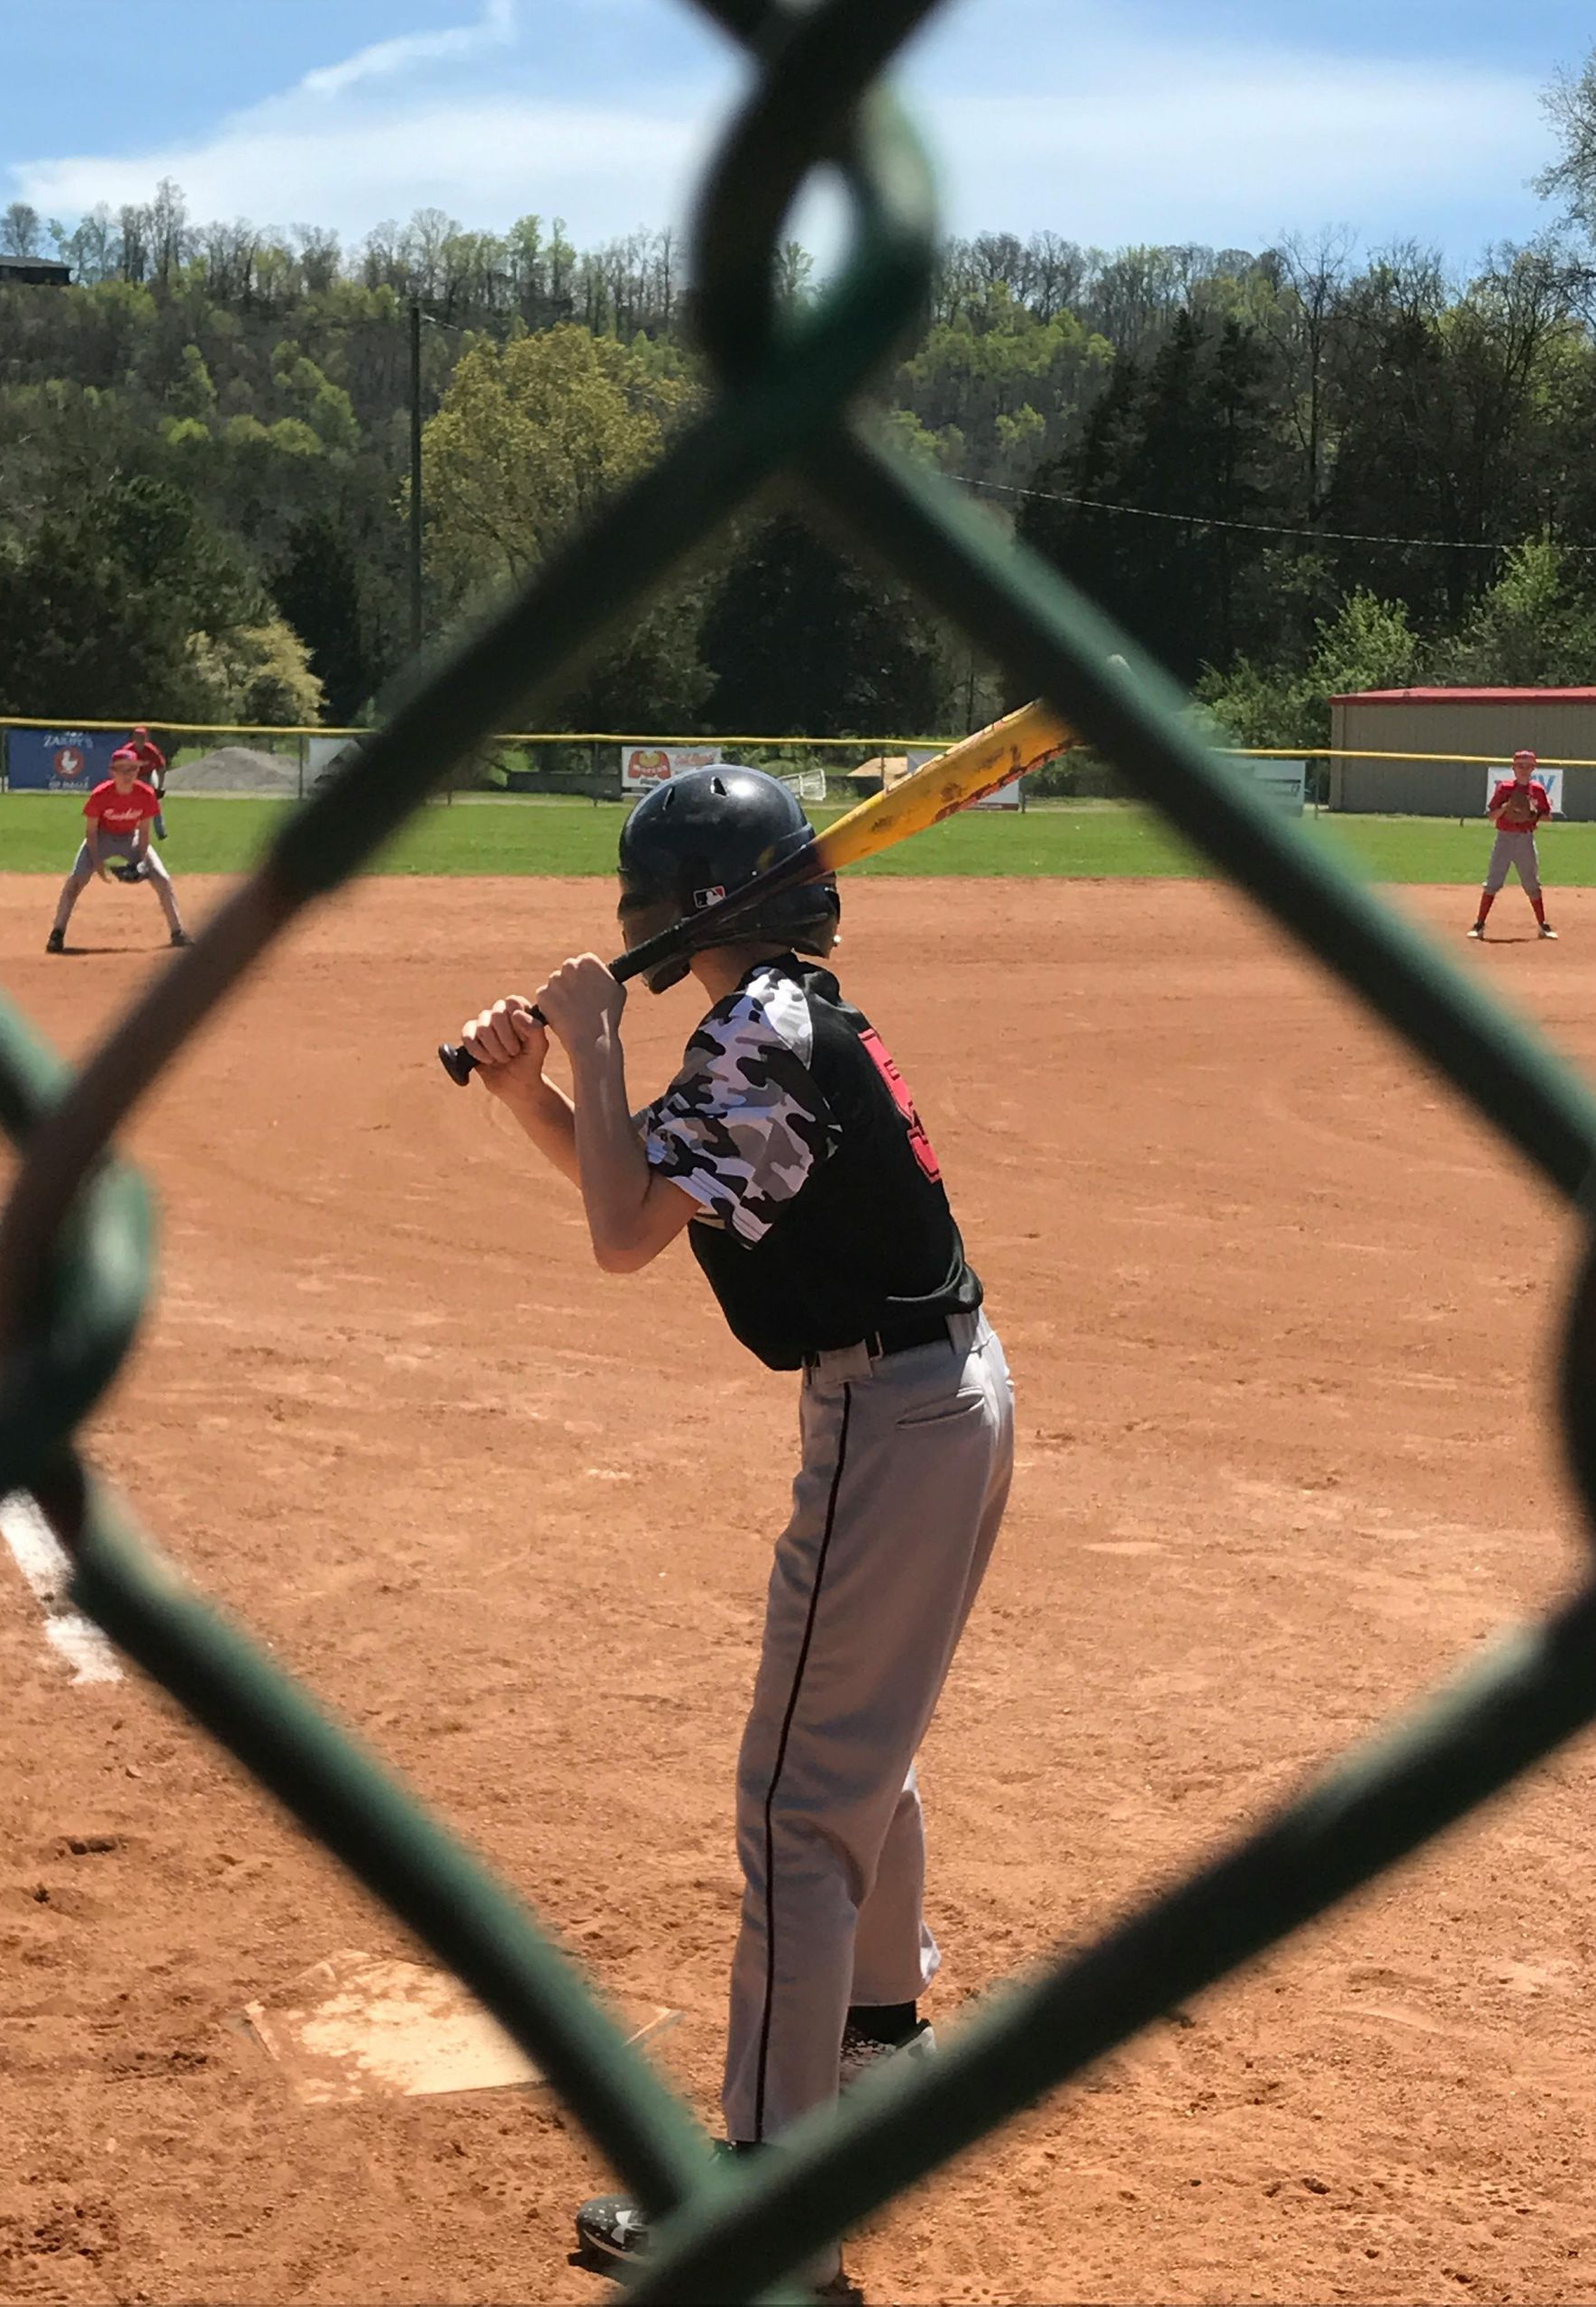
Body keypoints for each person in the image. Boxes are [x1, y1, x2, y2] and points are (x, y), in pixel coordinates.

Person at [454, 768, 1015, 2297]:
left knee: (794, 1800)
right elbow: (649, 1186)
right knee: (858, 1758)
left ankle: (769, 2215)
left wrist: (594, 1036)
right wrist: (535, 1087)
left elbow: (626, 1236)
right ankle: (880, 2056)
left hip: (887, 1424)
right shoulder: (783, 1011)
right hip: (943, 1393)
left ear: (679, 904)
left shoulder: (759, 1025)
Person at [45, 752, 192, 953]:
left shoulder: (146, 794)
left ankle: (178, 933)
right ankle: (57, 934)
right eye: (122, 769)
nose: (128, 774)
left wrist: (141, 862)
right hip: (100, 838)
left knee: (162, 879)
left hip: (131, 838)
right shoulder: (100, 794)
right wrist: (97, 862)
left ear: (138, 771)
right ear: (112, 772)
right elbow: (90, 832)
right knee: (76, 880)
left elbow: (144, 832)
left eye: (132, 768)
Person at [1470, 749, 1558, 941]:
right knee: (1493, 882)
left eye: (1528, 766)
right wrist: (1506, 807)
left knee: (1532, 884)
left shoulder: (1538, 790)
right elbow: (1491, 816)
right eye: (1520, 765)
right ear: (1513, 768)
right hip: (1504, 838)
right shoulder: (1504, 788)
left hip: (1525, 839)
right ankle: (1479, 925)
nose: (1524, 769)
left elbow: (1548, 817)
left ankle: (1543, 925)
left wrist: (1533, 814)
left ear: (1534, 768)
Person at [110, 725, 170, 874]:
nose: (140, 740)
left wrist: (159, 788)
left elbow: (162, 768)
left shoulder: (151, 750)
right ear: (133, 738)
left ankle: (161, 831)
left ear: (146, 738)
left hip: (149, 776)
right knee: (128, 803)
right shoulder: (128, 749)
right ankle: (127, 829)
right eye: (137, 737)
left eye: (142, 738)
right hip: (133, 776)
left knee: (154, 803)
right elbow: (118, 767)